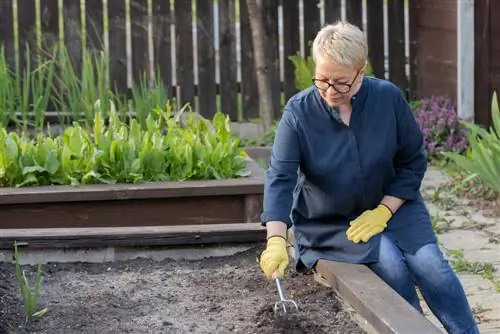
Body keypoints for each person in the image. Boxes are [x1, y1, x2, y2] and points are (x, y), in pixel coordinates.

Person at [258, 21, 479, 334]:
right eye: (322, 80)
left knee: (433, 267)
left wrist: (385, 210)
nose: (330, 91)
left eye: (341, 82)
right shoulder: (299, 113)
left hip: (394, 205)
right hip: (331, 220)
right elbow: (279, 178)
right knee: (390, 264)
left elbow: (413, 161)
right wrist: (276, 240)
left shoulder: (387, 99)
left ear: (360, 72)